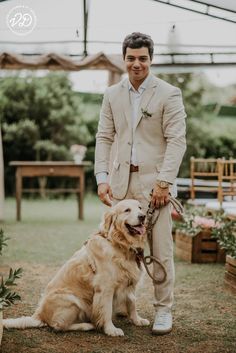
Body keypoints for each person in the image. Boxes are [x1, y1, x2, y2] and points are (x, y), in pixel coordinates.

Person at [94, 32, 186, 335]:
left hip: (154, 188)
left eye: (142, 58)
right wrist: (102, 178)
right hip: (120, 186)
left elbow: (177, 141)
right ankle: (122, 304)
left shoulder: (169, 93)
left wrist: (164, 183)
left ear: (151, 59)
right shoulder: (111, 94)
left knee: (159, 251)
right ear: (124, 59)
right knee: (116, 251)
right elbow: (104, 137)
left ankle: (163, 310)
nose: (137, 64)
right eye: (131, 58)